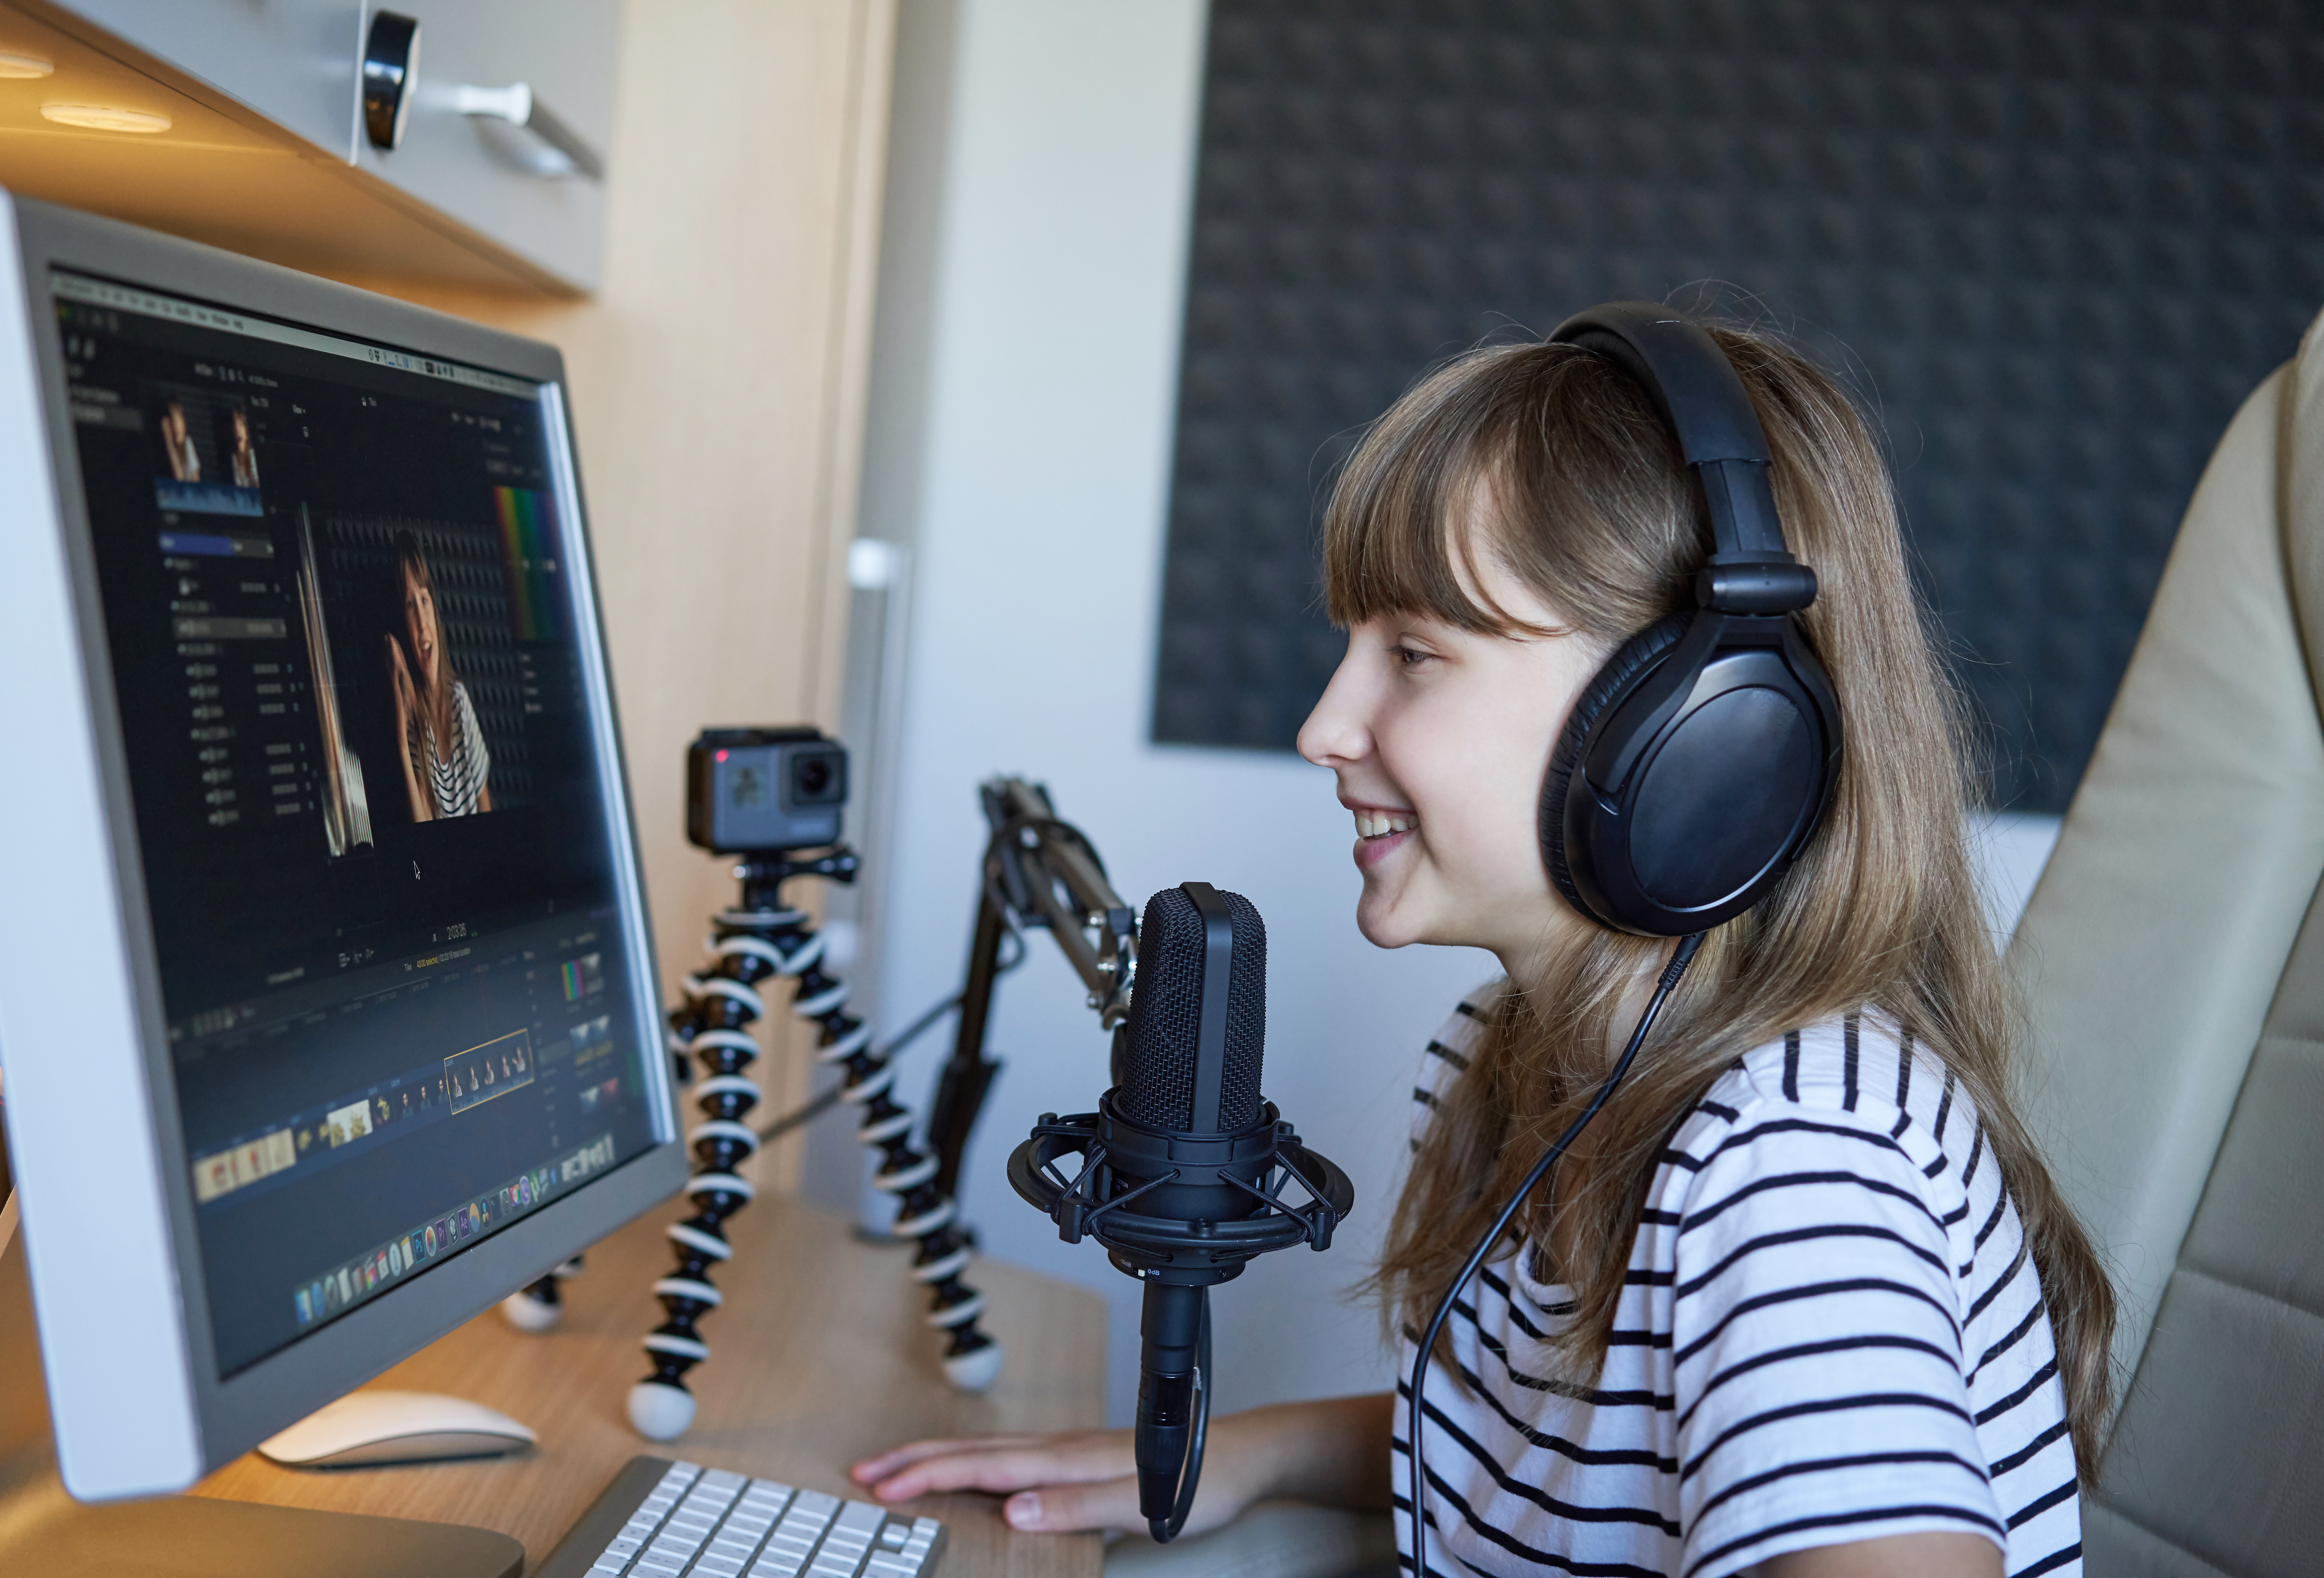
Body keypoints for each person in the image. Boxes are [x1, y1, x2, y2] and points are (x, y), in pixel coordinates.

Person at [850, 322, 2112, 1578]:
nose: (1322, 728)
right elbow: (1567, 1459)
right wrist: (1264, 1453)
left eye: (1411, 654)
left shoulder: (1790, 1162)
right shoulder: (1510, 1056)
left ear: (1700, 730)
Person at [384, 531, 492, 820]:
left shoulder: (458, 699)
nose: (422, 622)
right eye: (410, 605)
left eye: (424, 600)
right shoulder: (416, 726)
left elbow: (486, 807)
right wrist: (402, 740)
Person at [159, 397, 200, 481]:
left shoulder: (188, 443)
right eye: (173, 421)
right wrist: (170, 443)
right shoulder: (163, 450)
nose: (177, 427)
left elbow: (195, 482)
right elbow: (178, 479)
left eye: (179, 419)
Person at [228, 406, 260, 488]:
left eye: (241, 425)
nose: (238, 430)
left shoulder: (254, 455)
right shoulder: (234, 458)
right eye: (235, 426)